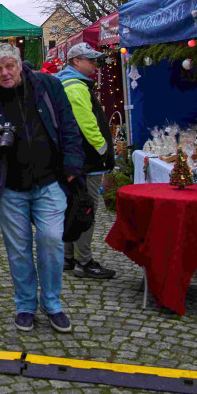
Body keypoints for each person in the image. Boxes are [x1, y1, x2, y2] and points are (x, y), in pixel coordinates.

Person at [0, 43, 84, 334]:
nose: (5, 73)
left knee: (51, 241)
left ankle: (53, 303)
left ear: (20, 64)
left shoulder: (48, 86)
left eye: (10, 66)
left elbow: (69, 125)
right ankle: (25, 305)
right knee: (18, 250)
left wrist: (72, 165)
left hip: (49, 181)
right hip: (9, 187)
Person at [57, 43, 117, 280]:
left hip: (73, 158)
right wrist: (104, 150)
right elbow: (87, 124)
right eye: (91, 60)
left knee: (73, 208)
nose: (95, 65)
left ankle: (68, 258)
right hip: (85, 159)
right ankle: (85, 261)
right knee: (85, 210)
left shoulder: (67, 82)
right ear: (76, 61)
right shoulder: (75, 86)